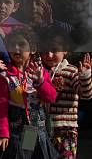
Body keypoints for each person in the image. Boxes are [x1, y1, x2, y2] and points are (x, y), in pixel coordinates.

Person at [0, 30, 58, 158]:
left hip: (36, 129)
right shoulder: (4, 76)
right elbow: (1, 108)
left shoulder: (41, 72)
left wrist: (40, 82)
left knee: (33, 154)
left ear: (32, 49)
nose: (16, 48)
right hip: (18, 130)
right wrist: (3, 133)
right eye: (12, 45)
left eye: (21, 44)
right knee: (23, 155)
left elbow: (51, 97)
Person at [39, 27, 92, 158]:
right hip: (41, 128)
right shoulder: (39, 71)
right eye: (45, 50)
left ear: (65, 50)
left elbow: (86, 94)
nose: (49, 54)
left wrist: (85, 75)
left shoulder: (71, 71)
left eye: (55, 49)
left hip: (65, 129)